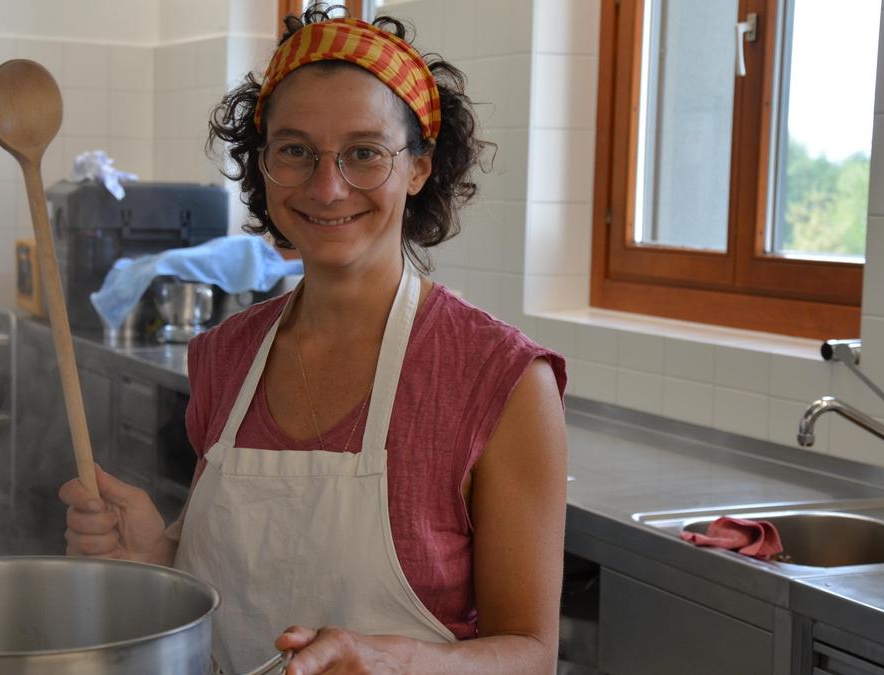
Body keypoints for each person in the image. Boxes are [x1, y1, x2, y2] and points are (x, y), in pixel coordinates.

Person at [60, 6, 569, 674]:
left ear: (418, 168)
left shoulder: (501, 381)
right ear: (262, 167)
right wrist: (155, 558)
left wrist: (391, 661)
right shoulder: (225, 357)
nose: (328, 188)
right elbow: (236, 585)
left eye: (365, 153)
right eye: (296, 150)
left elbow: (532, 653)